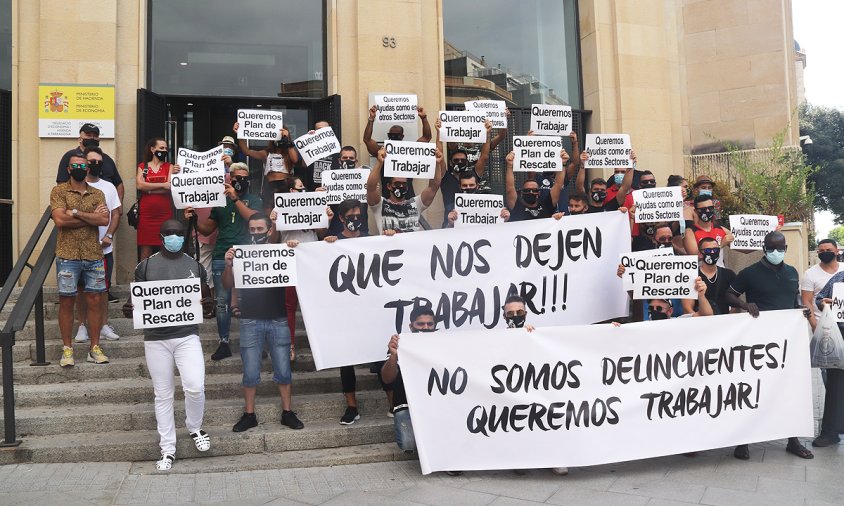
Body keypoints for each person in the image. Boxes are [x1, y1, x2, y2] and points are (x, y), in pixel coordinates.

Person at [122, 219, 213, 471]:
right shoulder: (146, 266)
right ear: (161, 237)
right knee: (163, 394)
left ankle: (195, 427)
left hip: (186, 335)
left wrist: (208, 305)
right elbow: (135, 301)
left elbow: (207, 299)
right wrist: (129, 308)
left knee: (195, 386)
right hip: (156, 339)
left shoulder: (194, 265)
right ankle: (167, 448)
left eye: (179, 234)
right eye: (170, 234)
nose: (175, 237)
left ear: (184, 237)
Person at [725, 231, 814, 461]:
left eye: (780, 248)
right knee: (751, 388)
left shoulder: (792, 272)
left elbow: (793, 299)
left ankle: (792, 440)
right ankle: (742, 441)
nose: (776, 252)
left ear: (785, 248)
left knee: (787, 389)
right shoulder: (750, 273)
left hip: (786, 342)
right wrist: (746, 305)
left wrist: (800, 310)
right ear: (764, 248)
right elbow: (729, 295)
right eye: (772, 248)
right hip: (758, 342)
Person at [223, 213, 304, 433]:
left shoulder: (281, 251)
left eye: (260, 229)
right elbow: (228, 283)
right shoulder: (241, 253)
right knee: (250, 372)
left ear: (269, 230)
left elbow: (301, 272)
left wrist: (294, 251)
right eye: (253, 230)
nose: (257, 233)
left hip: (278, 319)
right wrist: (229, 264)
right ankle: (249, 415)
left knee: (284, 371)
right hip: (250, 320)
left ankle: (287, 412)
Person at [324, 199, 396, 424]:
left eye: (358, 215)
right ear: (342, 218)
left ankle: (393, 403)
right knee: (347, 359)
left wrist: (391, 238)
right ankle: (351, 406)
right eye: (350, 215)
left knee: (383, 356)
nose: (355, 219)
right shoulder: (334, 242)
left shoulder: (371, 241)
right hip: (347, 312)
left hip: (372, 311)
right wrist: (326, 246)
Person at [186, 162, 262, 361]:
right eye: (236, 177)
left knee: (251, 300)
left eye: (244, 178)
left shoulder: (254, 199)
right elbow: (208, 229)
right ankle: (224, 342)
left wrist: (236, 199)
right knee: (222, 302)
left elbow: (254, 220)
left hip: (248, 256)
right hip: (222, 255)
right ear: (230, 179)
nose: (240, 181)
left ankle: (253, 342)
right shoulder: (220, 202)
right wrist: (193, 218)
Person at [50, 153, 111, 367]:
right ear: (68, 169)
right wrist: (89, 217)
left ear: (87, 170)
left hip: (93, 254)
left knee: (95, 301)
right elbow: (59, 220)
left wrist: (74, 212)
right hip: (67, 255)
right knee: (67, 301)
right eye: (75, 165)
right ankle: (67, 349)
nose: (79, 168)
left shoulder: (98, 193)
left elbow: (104, 219)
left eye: (82, 166)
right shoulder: (59, 190)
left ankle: (94, 347)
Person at [270, 176, 332, 356]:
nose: (304, 189)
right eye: (301, 186)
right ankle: (289, 344)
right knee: (290, 304)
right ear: (291, 191)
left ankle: (320, 345)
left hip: (311, 260)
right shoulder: (279, 208)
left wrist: (326, 218)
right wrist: (273, 223)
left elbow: (321, 232)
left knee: (315, 303)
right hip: (290, 260)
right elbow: (273, 240)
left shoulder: (315, 205)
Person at [73, 146, 122, 344]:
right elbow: (69, 215)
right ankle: (82, 326)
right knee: (81, 290)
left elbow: (114, 214)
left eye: (99, 162)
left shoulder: (108, 187)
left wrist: (109, 234)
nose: (96, 165)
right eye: (92, 161)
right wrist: (94, 217)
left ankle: (104, 325)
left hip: (104, 249)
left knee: (102, 290)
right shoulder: (76, 186)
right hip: (80, 249)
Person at [366, 146, 444, 234]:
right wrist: (380, 162)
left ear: (407, 187)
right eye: (397, 184)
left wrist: (437, 163)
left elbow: (433, 187)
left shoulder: (415, 203)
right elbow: (371, 188)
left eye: (404, 184)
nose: (401, 186)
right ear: (389, 186)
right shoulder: (380, 205)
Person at [435, 117, 492, 227]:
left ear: (467, 162)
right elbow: (439, 155)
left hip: (473, 223)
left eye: (463, 160)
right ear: (451, 163)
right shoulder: (446, 178)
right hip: (451, 225)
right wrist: (439, 132)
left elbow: (484, 157)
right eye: (456, 160)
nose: (460, 162)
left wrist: (488, 134)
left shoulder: (472, 176)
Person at [812, 270, 844, 447]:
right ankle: (830, 432)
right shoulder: (840, 278)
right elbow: (820, 298)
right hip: (841, 337)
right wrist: (824, 304)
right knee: (836, 386)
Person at [55, 123, 124, 202]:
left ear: (99, 139)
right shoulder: (70, 156)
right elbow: (61, 183)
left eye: (95, 136)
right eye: (88, 135)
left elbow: (118, 183)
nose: (92, 138)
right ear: (80, 139)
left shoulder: (106, 159)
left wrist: (119, 205)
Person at [136, 137, 176, 261]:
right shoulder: (143, 166)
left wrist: (149, 189)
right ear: (153, 149)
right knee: (145, 249)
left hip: (164, 213)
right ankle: (143, 277)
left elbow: (170, 187)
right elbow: (139, 185)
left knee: (165, 245)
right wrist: (162, 185)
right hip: (146, 215)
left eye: (166, 149)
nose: (164, 150)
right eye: (161, 148)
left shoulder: (169, 166)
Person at [502, 149, 569, 221]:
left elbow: (558, 185)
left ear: (539, 193)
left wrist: (563, 163)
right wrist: (509, 166)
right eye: (527, 190)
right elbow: (510, 188)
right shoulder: (516, 206)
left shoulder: (547, 205)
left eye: (534, 190)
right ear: (521, 192)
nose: (531, 192)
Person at [682, 237, 736, 316]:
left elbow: (735, 304)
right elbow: (687, 308)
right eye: (708, 250)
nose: (712, 252)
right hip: (700, 323)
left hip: (725, 323)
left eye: (716, 250)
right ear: (700, 254)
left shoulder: (729, 274)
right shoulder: (691, 276)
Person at [801, 239, 843, 331]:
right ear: (818, 253)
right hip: (824, 327)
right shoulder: (810, 274)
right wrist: (814, 325)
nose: (825, 253)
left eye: (828, 250)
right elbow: (806, 301)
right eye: (822, 251)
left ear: (836, 251)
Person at [363, 104, 432, 157]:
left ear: (402, 136)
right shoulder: (382, 151)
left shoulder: (409, 151)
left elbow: (426, 137)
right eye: (391, 135)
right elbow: (367, 140)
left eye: (397, 136)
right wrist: (371, 119)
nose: (394, 137)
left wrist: (424, 118)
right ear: (388, 135)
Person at [683, 194, 734, 260]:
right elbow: (695, 257)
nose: (707, 211)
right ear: (696, 211)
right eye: (703, 209)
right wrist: (720, 246)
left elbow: (742, 246)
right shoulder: (690, 232)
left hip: (720, 269)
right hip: (700, 269)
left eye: (710, 208)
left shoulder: (721, 229)